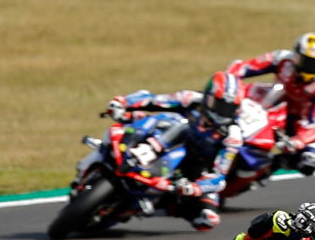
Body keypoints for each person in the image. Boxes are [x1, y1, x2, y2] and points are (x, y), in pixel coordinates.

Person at [104, 71, 265, 230]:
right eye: (219, 104)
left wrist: (197, 187)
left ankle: (143, 206)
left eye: (229, 107)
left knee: (207, 220)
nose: (223, 111)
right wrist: (123, 102)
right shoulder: (190, 99)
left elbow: (219, 176)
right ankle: (120, 152)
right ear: (208, 97)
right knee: (167, 121)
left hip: (193, 168)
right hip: (165, 139)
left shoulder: (233, 136)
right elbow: (153, 99)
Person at [225, 33, 315, 177]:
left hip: (298, 122)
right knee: (228, 100)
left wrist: (298, 142)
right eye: (306, 61)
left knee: (309, 162)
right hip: (273, 102)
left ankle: (273, 165)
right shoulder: (281, 58)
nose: (310, 67)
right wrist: (229, 83)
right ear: (296, 55)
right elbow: (244, 67)